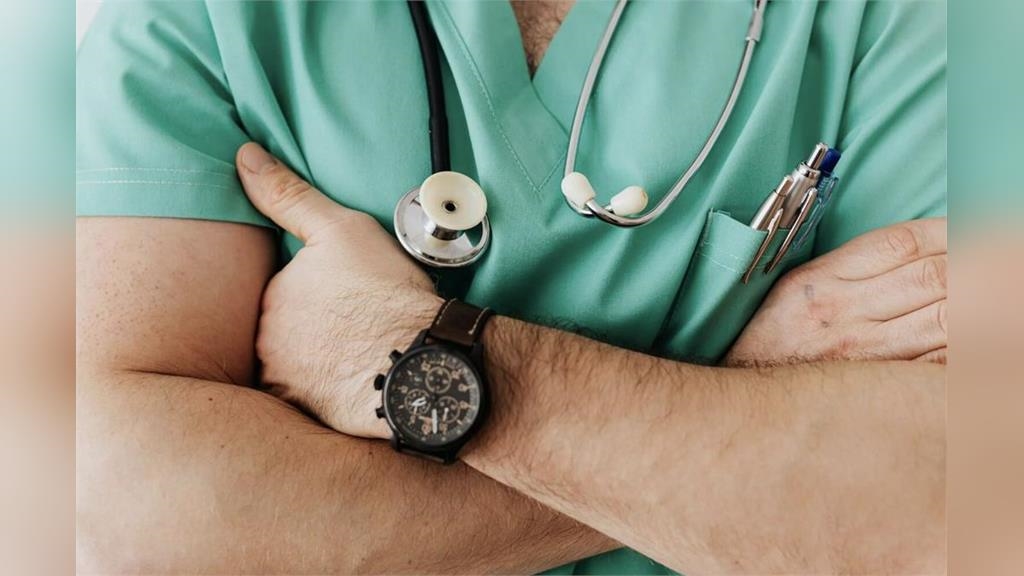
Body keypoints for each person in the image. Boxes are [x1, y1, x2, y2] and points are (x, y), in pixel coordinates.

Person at [76, 1, 947, 573]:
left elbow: (945, 504)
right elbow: (123, 515)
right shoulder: (202, 19)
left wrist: (390, 351)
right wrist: (731, 389)